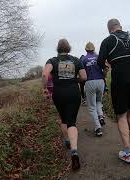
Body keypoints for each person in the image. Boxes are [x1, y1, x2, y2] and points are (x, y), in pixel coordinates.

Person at [97, 19, 130, 164]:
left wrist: (109, 64)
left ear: (109, 29)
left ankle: (127, 151)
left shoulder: (107, 41)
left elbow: (100, 61)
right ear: (120, 27)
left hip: (120, 80)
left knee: (121, 115)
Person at [42, 39, 87, 170]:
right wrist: (74, 80)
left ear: (58, 49)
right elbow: (84, 77)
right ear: (69, 48)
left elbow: (45, 74)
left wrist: (45, 89)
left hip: (59, 93)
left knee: (63, 118)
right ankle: (74, 152)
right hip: (73, 92)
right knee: (72, 122)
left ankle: (67, 141)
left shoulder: (52, 60)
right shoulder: (76, 60)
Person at [81, 42, 105, 137]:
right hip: (100, 81)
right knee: (99, 101)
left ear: (86, 50)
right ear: (94, 49)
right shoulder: (99, 57)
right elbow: (105, 68)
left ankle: (98, 127)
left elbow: (82, 74)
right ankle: (101, 116)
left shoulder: (83, 59)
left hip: (90, 81)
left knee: (91, 106)